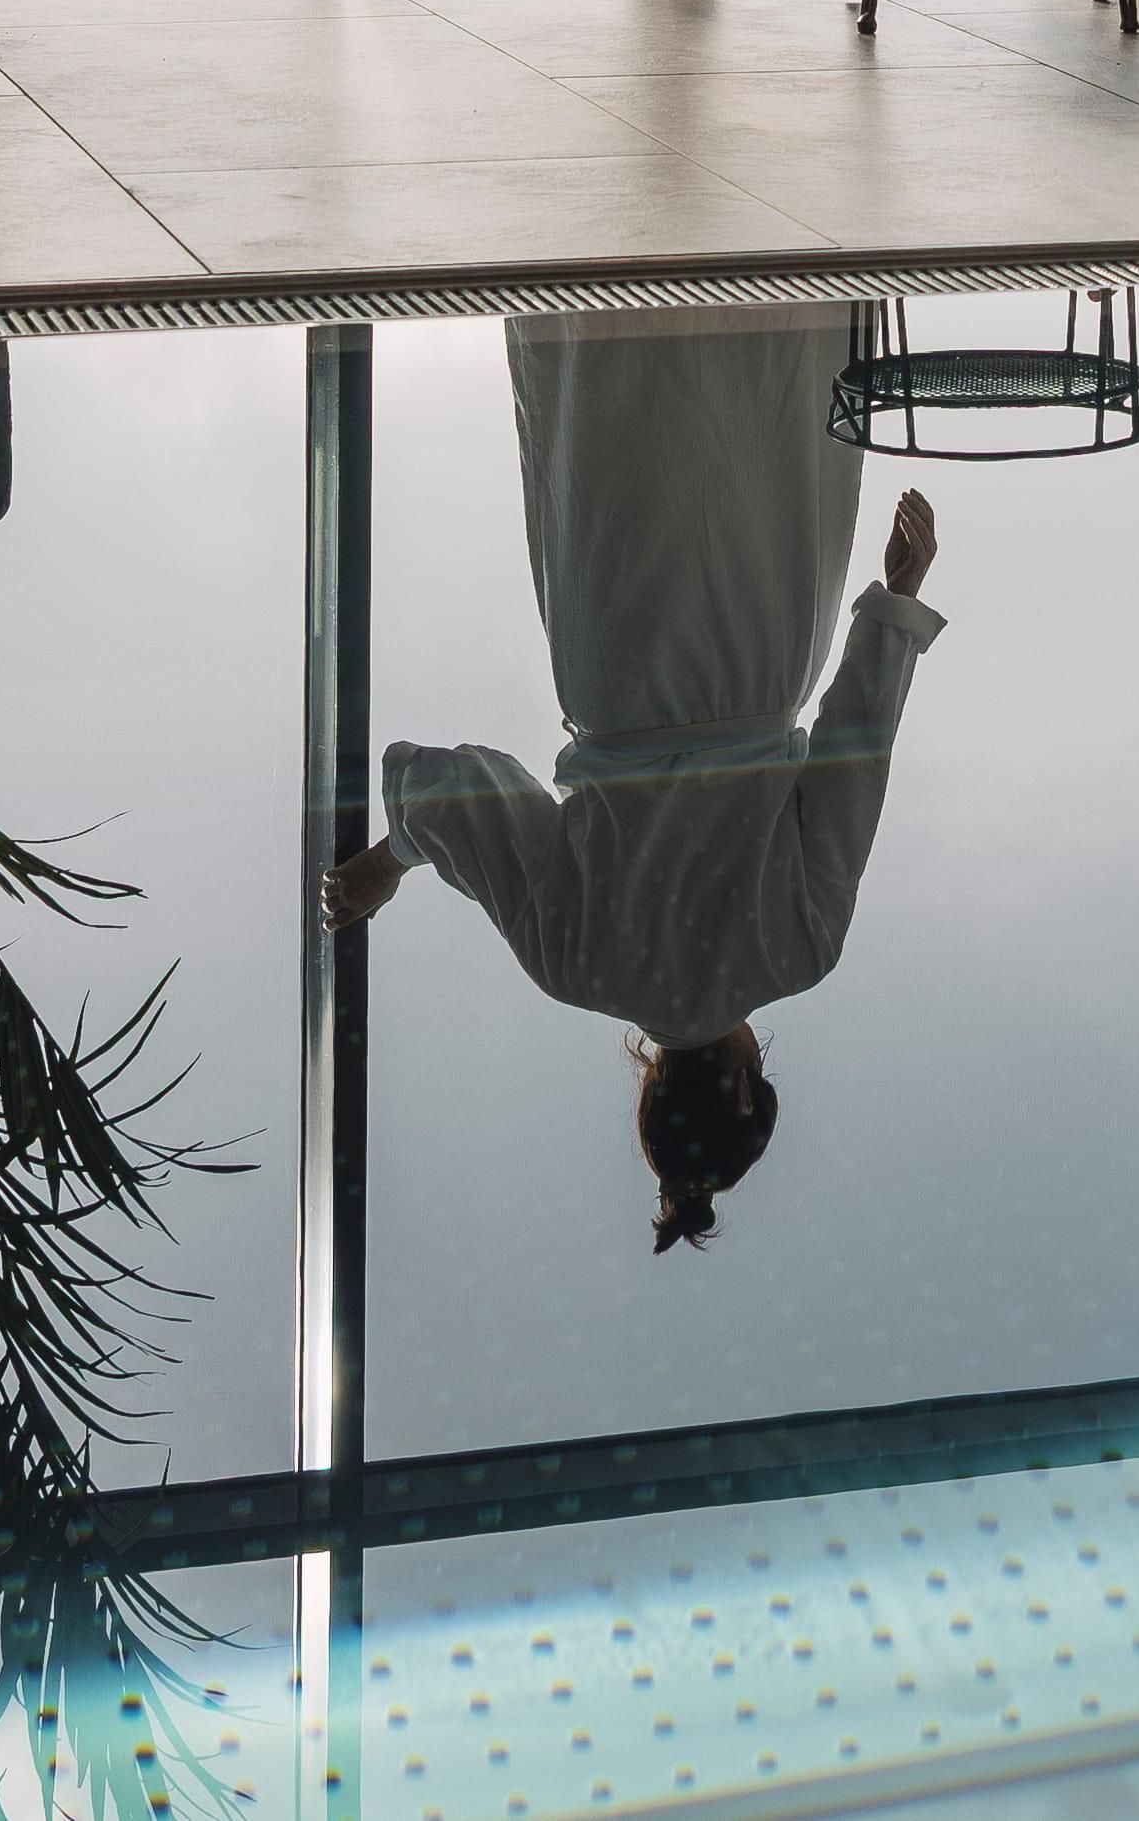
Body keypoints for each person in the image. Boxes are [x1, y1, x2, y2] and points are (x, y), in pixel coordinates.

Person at [317, 312, 947, 1252]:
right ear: (654, 1084)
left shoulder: (801, 950)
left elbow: (858, 756)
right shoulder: (577, 962)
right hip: (609, 649)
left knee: (755, 394)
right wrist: (392, 856)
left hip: (759, 647)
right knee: (604, 398)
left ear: (739, 1085)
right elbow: (457, 790)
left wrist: (896, 600)